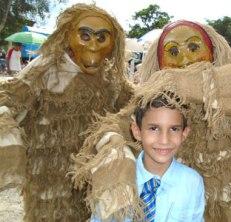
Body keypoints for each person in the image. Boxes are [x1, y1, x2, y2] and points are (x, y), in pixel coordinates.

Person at [73, 20, 231, 221]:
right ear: (160, 62)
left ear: (213, 52)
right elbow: (109, 130)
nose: (184, 59)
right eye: (172, 51)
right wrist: (117, 164)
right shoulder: (153, 107)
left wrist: (176, 81)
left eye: (193, 47)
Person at [0, 4, 134, 221]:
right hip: (48, 178)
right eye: (85, 35)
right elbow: (10, 98)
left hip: (90, 177)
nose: (92, 45)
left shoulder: (112, 79)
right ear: (68, 35)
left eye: (101, 38)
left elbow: (136, 105)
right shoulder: (44, 70)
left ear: (113, 43)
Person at [91, 94, 205, 221]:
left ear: (184, 134)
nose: (164, 140)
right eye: (154, 128)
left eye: (174, 129)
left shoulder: (192, 183)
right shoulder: (117, 176)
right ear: (137, 131)